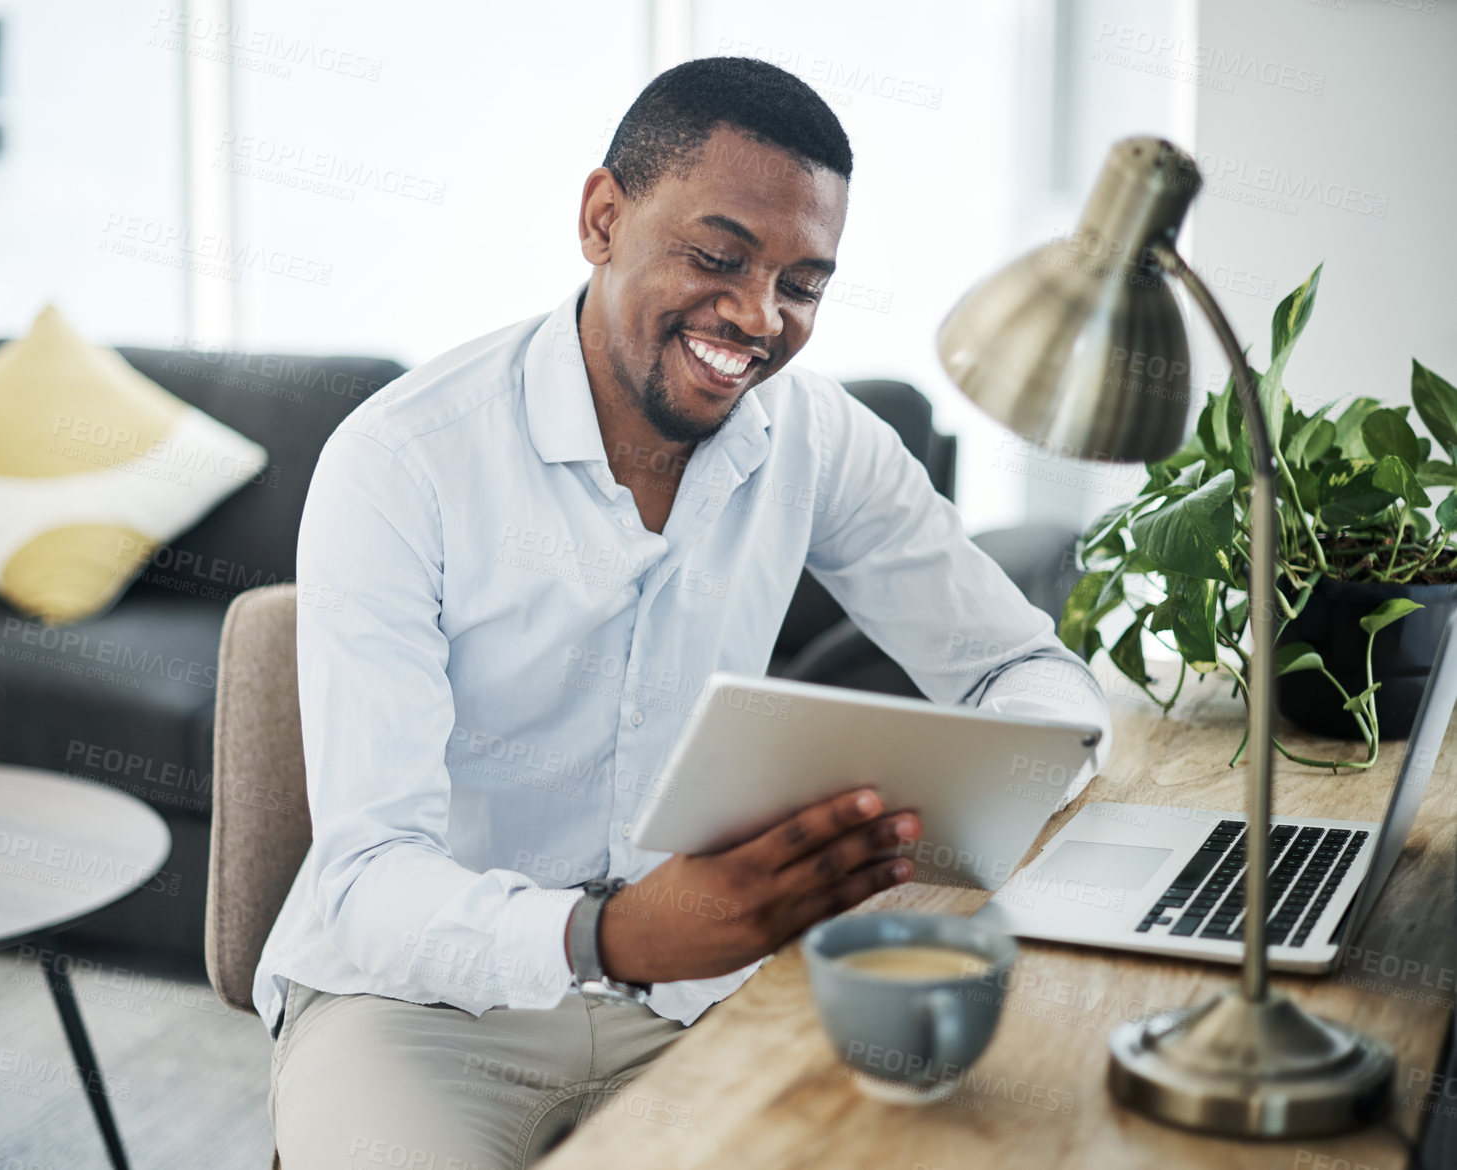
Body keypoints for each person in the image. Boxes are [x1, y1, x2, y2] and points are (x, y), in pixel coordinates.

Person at [256, 55, 1111, 1170]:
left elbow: (1026, 672)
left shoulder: (819, 439)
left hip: (711, 992)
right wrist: (610, 933)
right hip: (418, 1005)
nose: (758, 318)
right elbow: (368, 883)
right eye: (718, 257)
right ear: (602, 218)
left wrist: (977, 783)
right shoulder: (400, 461)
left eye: (801, 285)